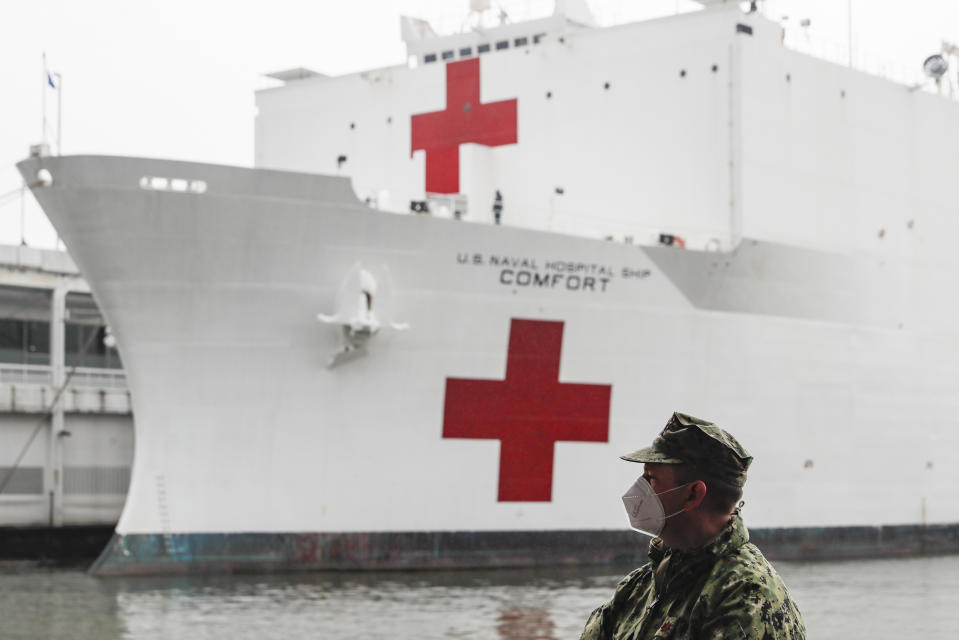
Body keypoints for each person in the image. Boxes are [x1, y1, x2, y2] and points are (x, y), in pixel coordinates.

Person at [580, 412, 806, 640]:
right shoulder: (643, 584)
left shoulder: (747, 600)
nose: (639, 490)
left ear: (693, 494)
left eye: (651, 479)